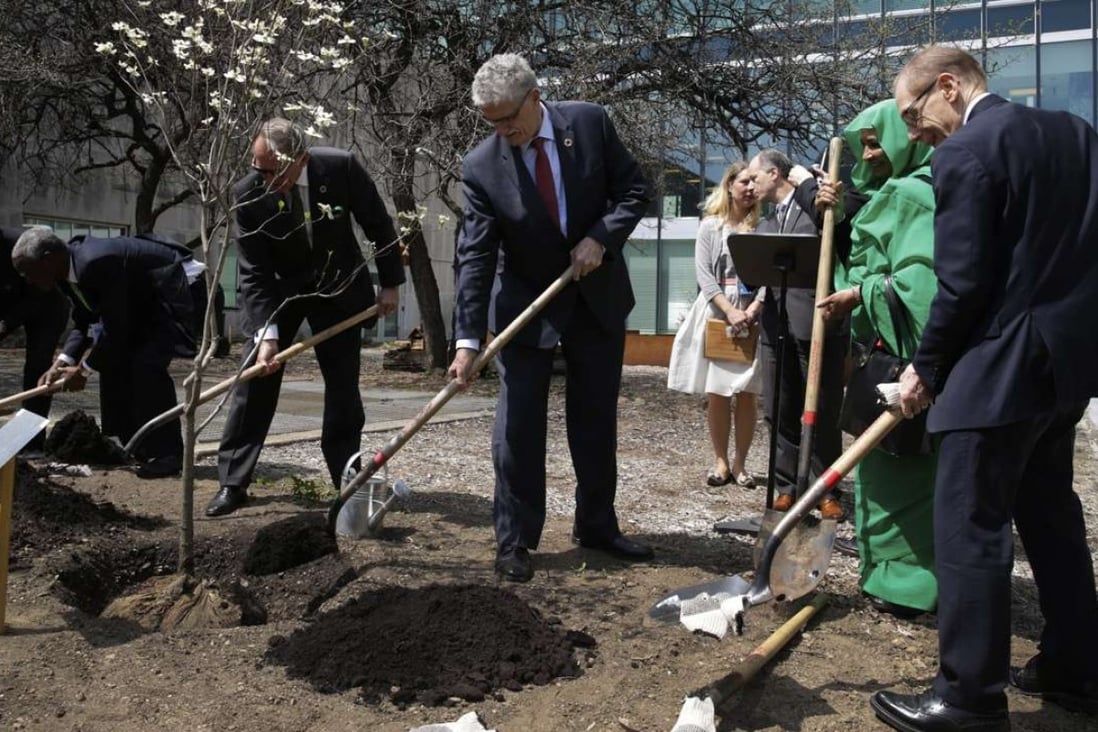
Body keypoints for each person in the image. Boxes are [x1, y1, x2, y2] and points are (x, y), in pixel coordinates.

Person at [872, 46, 1098, 732]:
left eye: (913, 113)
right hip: (1066, 369)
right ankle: (1078, 669)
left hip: (999, 372)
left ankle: (968, 697)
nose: (913, 132)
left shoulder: (965, 154)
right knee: (1050, 515)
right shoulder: (1078, 137)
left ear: (949, 86)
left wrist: (925, 367)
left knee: (969, 524)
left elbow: (963, 283)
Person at [447, 53, 653, 583]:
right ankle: (514, 539)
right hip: (524, 307)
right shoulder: (481, 166)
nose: (502, 130)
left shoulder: (588, 123)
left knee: (595, 419)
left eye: (508, 118)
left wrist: (601, 239)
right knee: (516, 428)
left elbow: (634, 190)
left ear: (535, 97)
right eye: (490, 121)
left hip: (594, 298)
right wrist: (467, 340)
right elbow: (474, 257)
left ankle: (597, 525)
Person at [206, 118, 405, 517]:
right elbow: (253, 271)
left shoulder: (340, 168)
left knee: (343, 388)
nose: (262, 179)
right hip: (280, 290)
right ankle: (233, 480)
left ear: (299, 159)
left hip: (337, 286)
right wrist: (267, 334)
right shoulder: (248, 193)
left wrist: (389, 284)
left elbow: (377, 223)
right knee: (255, 380)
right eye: (256, 168)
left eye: (270, 170)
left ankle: (345, 479)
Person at [815, 100, 938, 619]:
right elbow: (870, 252)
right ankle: (887, 573)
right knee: (886, 475)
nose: (869, 152)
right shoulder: (907, 190)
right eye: (862, 142)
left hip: (908, 365)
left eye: (876, 140)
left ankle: (908, 586)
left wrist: (857, 296)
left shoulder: (916, 194)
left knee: (903, 477)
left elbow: (919, 287)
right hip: (895, 360)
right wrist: (840, 217)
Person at [12, 227, 205, 478]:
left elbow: (116, 328)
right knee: (115, 364)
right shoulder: (65, 274)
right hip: (141, 300)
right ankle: (137, 444)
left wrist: (84, 370)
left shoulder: (94, 263)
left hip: (175, 286)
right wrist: (61, 362)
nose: (27, 278)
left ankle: (168, 454)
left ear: (49, 258)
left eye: (27, 270)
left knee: (146, 366)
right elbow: (85, 320)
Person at [747, 149, 847, 520]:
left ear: (775, 174)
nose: (751, 185)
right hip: (777, 328)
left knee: (820, 407)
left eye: (755, 177)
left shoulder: (815, 210)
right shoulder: (768, 222)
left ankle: (825, 490)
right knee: (779, 408)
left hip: (817, 324)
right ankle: (788, 486)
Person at [667, 161, 763, 491]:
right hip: (717, 312)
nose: (751, 187)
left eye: (755, 181)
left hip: (753, 314)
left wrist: (754, 307)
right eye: (745, 181)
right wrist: (729, 311)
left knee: (747, 392)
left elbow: (772, 274)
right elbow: (705, 276)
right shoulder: (710, 227)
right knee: (718, 391)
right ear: (730, 186)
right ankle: (721, 461)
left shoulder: (763, 226)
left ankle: (741, 463)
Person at [0, 227, 70, 447]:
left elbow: (39, 291)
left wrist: (5, 324)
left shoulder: (20, 247)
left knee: (38, 369)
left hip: (47, 303)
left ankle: (31, 440)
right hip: (10, 299)